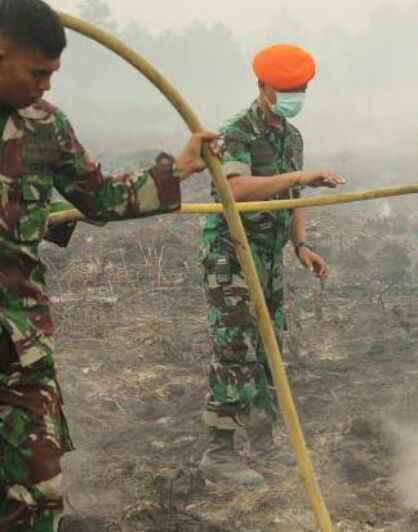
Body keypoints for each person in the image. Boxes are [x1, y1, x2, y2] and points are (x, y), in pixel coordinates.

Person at [0, 0, 217, 529]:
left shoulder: (45, 128)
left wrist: (180, 168)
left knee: (35, 493)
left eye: (52, 74)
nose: (46, 85)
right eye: (38, 72)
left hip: (17, 350)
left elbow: (99, 198)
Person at [198, 43, 345, 484]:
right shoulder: (237, 133)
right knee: (235, 346)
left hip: (270, 255)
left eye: (299, 89)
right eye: (285, 89)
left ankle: (264, 445)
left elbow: (291, 198)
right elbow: (237, 189)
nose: (293, 96)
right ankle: (218, 452)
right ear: (262, 87)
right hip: (231, 253)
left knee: (268, 348)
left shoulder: (291, 137)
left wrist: (302, 245)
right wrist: (299, 176)